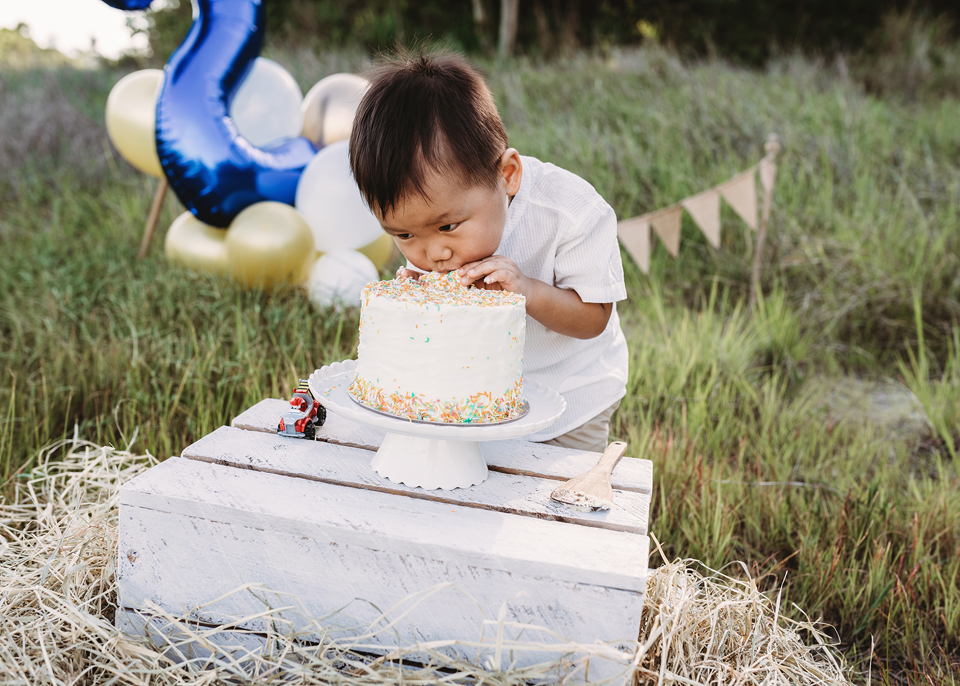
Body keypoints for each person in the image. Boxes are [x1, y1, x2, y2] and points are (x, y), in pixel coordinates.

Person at [348, 49, 628, 453]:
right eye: (405, 236)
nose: (435, 254)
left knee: (555, 502)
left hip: (572, 398)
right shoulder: (437, 236)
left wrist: (527, 291)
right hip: (476, 398)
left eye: (447, 227)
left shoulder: (570, 213)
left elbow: (593, 319)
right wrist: (421, 300)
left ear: (507, 175)